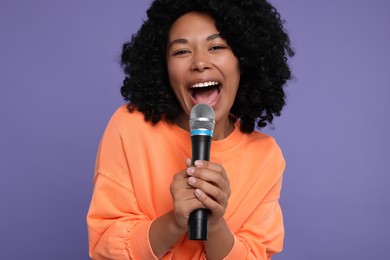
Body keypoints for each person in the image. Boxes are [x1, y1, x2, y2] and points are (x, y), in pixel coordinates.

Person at [87, 0, 294, 259]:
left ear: (245, 60)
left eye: (216, 46)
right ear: (163, 67)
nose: (199, 63)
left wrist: (215, 223)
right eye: (182, 52)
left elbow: (256, 253)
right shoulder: (129, 127)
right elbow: (104, 246)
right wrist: (174, 221)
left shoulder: (265, 156)